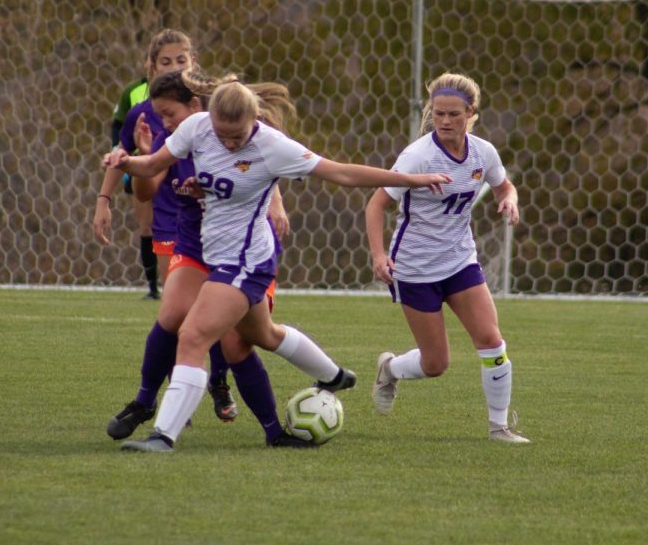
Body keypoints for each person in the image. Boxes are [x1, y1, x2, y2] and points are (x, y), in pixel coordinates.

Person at [103, 80, 451, 452]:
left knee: (192, 335)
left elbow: (342, 173)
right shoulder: (197, 127)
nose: (230, 143)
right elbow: (153, 165)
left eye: (237, 136)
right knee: (263, 335)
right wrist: (127, 162)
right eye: (223, 135)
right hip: (213, 253)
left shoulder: (271, 146)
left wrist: (410, 180)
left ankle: (163, 436)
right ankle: (332, 376)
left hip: (247, 261)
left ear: (254, 119)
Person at [106, 69, 309, 447]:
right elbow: (144, 184)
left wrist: (276, 201)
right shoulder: (178, 137)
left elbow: (268, 167)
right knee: (174, 320)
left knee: (241, 342)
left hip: (245, 254)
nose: (163, 122)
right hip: (196, 246)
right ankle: (146, 403)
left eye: (169, 113)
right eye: (159, 114)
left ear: (196, 106)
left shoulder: (232, 130)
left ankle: (267, 419)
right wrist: (133, 164)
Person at [365, 72, 530, 444]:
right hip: (415, 268)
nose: (444, 121)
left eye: (454, 114)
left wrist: (509, 199)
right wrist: (378, 255)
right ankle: (390, 368)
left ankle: (499, 427)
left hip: (460, 261)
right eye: (438, 113)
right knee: (435, 364)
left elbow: (504, 185)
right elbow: (376, 204)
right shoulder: (418, 156)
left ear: (471, 113)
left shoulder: (483, 152)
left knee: (491, 339)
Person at [94, 28, 195, 299]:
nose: (174, 67)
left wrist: (274, 201)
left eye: (181, 60)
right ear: (152, 67)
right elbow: (121, 154)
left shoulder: (210, 104)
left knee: (221, 324)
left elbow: (253, 146)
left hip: (212, 221)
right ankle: (153, 291)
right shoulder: (141, 113)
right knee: (176, 312)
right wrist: (103, 200)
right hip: (168, 219)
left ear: (193, 62)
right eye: (166, 62)